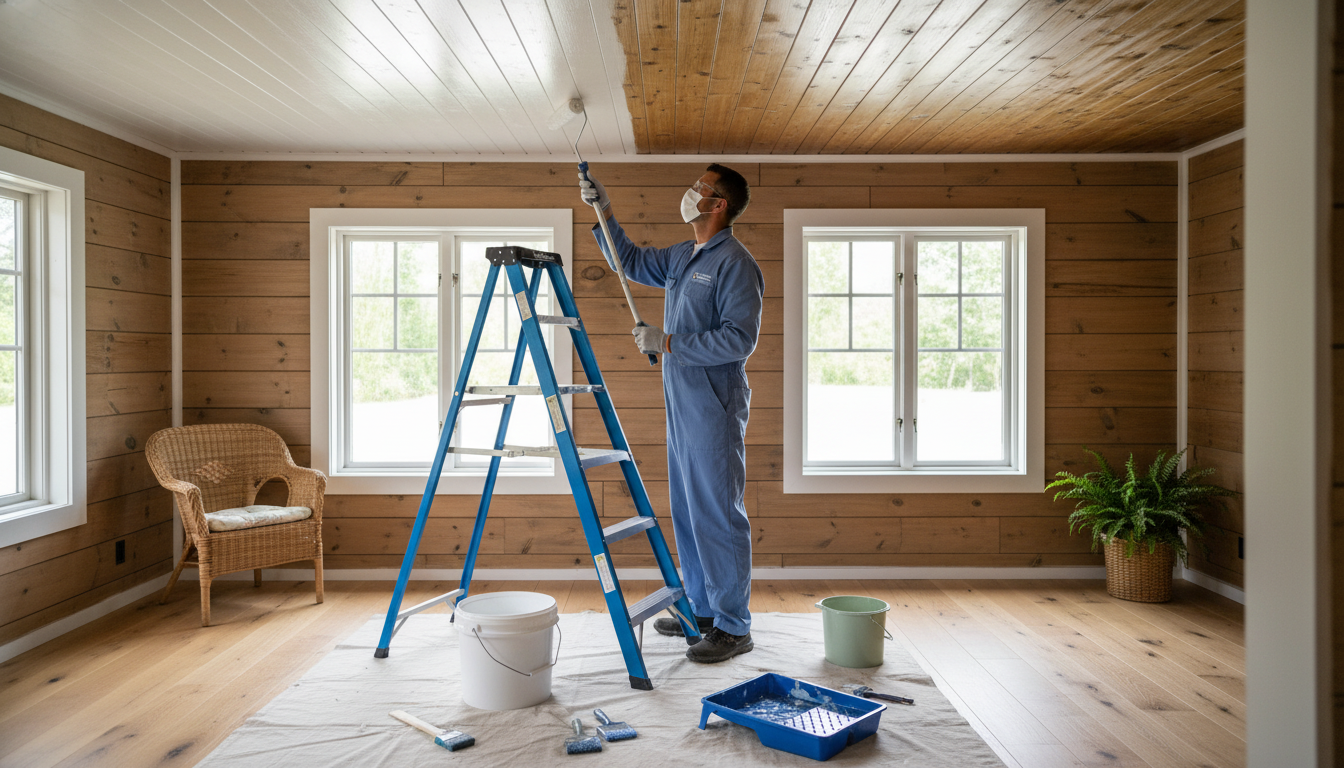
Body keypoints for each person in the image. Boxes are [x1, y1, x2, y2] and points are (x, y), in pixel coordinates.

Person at [580, 164, 763, 663]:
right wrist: (605, 210)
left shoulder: (735, 263)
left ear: (718, 203)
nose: (690, 192)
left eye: (699, 187)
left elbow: (739, 339)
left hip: (713, 403)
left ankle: (733, 625)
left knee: (717, 513)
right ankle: (702, 611)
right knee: (686, 509)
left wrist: (668, 342)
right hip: (682, 401)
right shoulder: (686, 256)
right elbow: (632, 263)